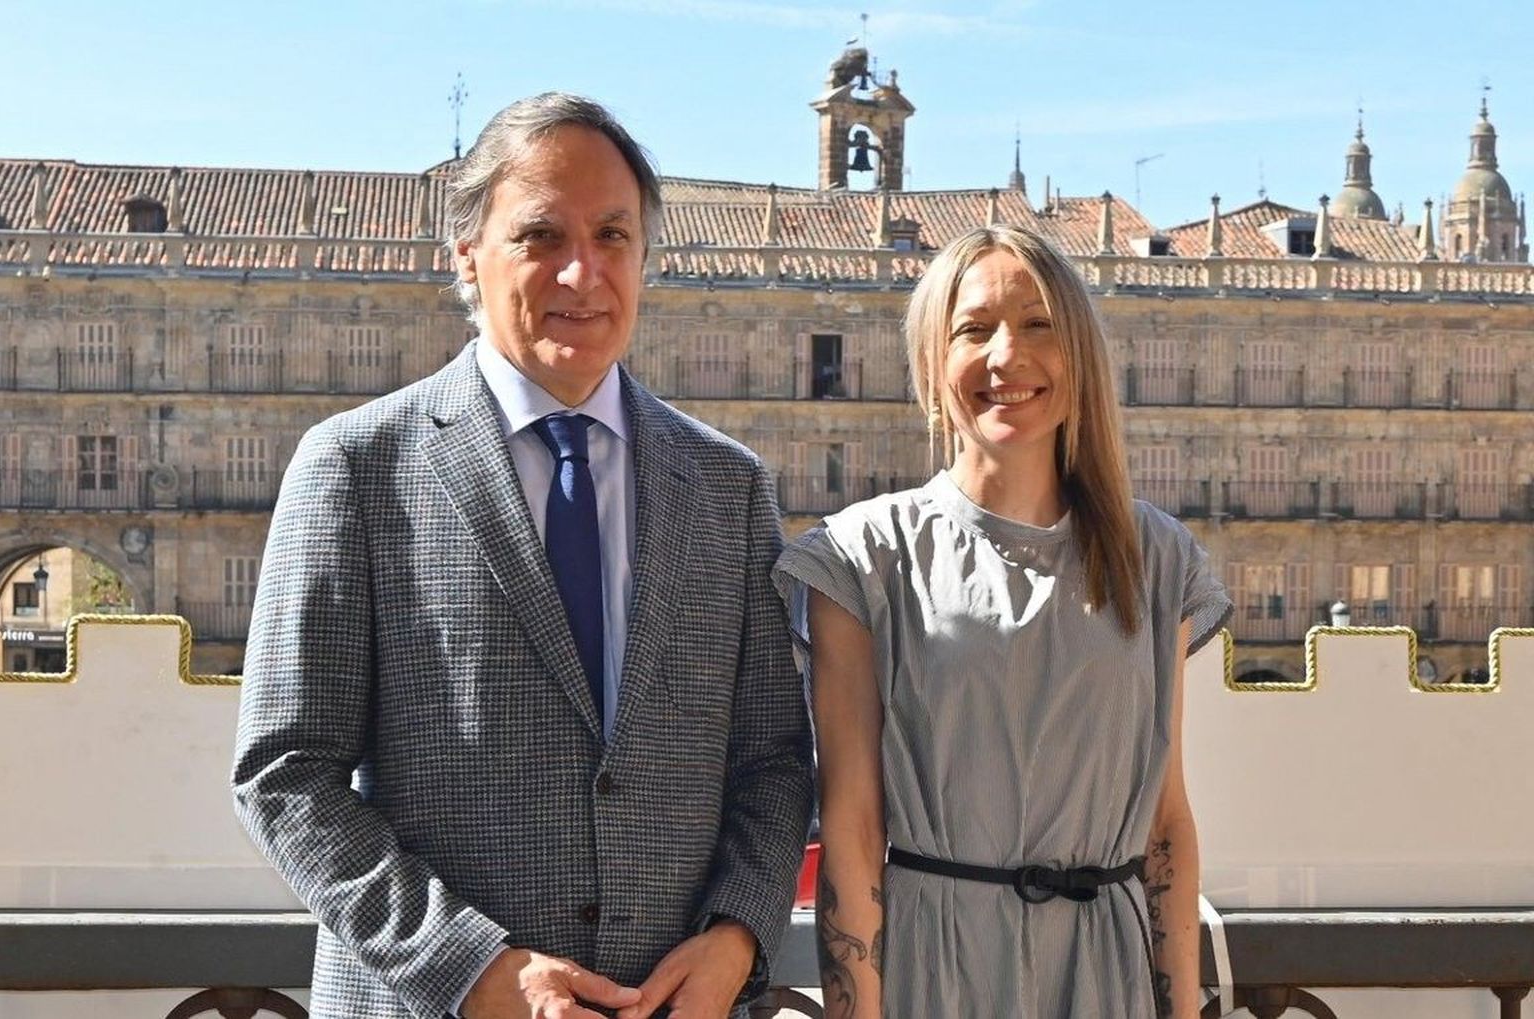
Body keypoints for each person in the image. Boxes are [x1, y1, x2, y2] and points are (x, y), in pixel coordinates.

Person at [232, 92, 813, 1019]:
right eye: (542, 235)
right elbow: (285, 771)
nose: (584, 273)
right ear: (468, 255)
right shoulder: (356, 466)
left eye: (614, 236)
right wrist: (474, 971)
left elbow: (775, 762)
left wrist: (736, 938)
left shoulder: (727, 486)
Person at [773, 226, 1231, 1017]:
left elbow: (1165, 820)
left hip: (1107, 978)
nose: (1005, 355)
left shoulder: (1157, 560)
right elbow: (852, 825)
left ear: (1079, 355)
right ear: (931, 364)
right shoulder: (862, 556)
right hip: (937, 972)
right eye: (974, 329)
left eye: (1038, 323)